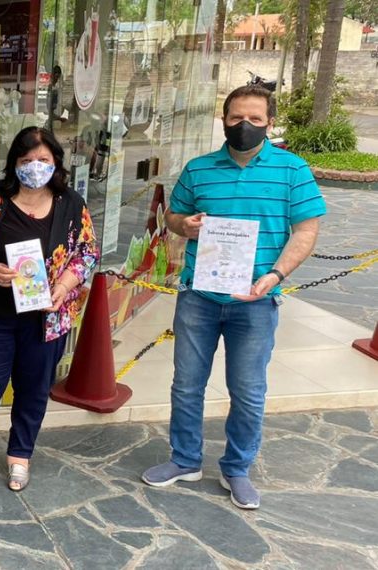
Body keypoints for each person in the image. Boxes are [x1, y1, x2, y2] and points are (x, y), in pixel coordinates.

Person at [142, 85, 325, 510]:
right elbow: (172, 216)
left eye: (255, 119)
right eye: (236, 117)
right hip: (199, 296)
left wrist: (276, 275)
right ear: (223, 119)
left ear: (270, 123)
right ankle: (185, 459)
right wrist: (183, 224)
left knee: (247, 390)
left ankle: (237, 468)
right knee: (186, 385)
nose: (245, 125)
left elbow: (306, 230)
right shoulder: (199, 168)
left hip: (256, 300)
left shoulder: (293, 170)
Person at [0, 126, 99, 491]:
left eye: (43, 160)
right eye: (26, 160)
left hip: (46, 319)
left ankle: (20, 453)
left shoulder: (71, 203)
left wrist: (63, 287)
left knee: (33, 389)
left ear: (56, 163)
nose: (35, 166)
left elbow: (87, 252)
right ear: (14, 163)